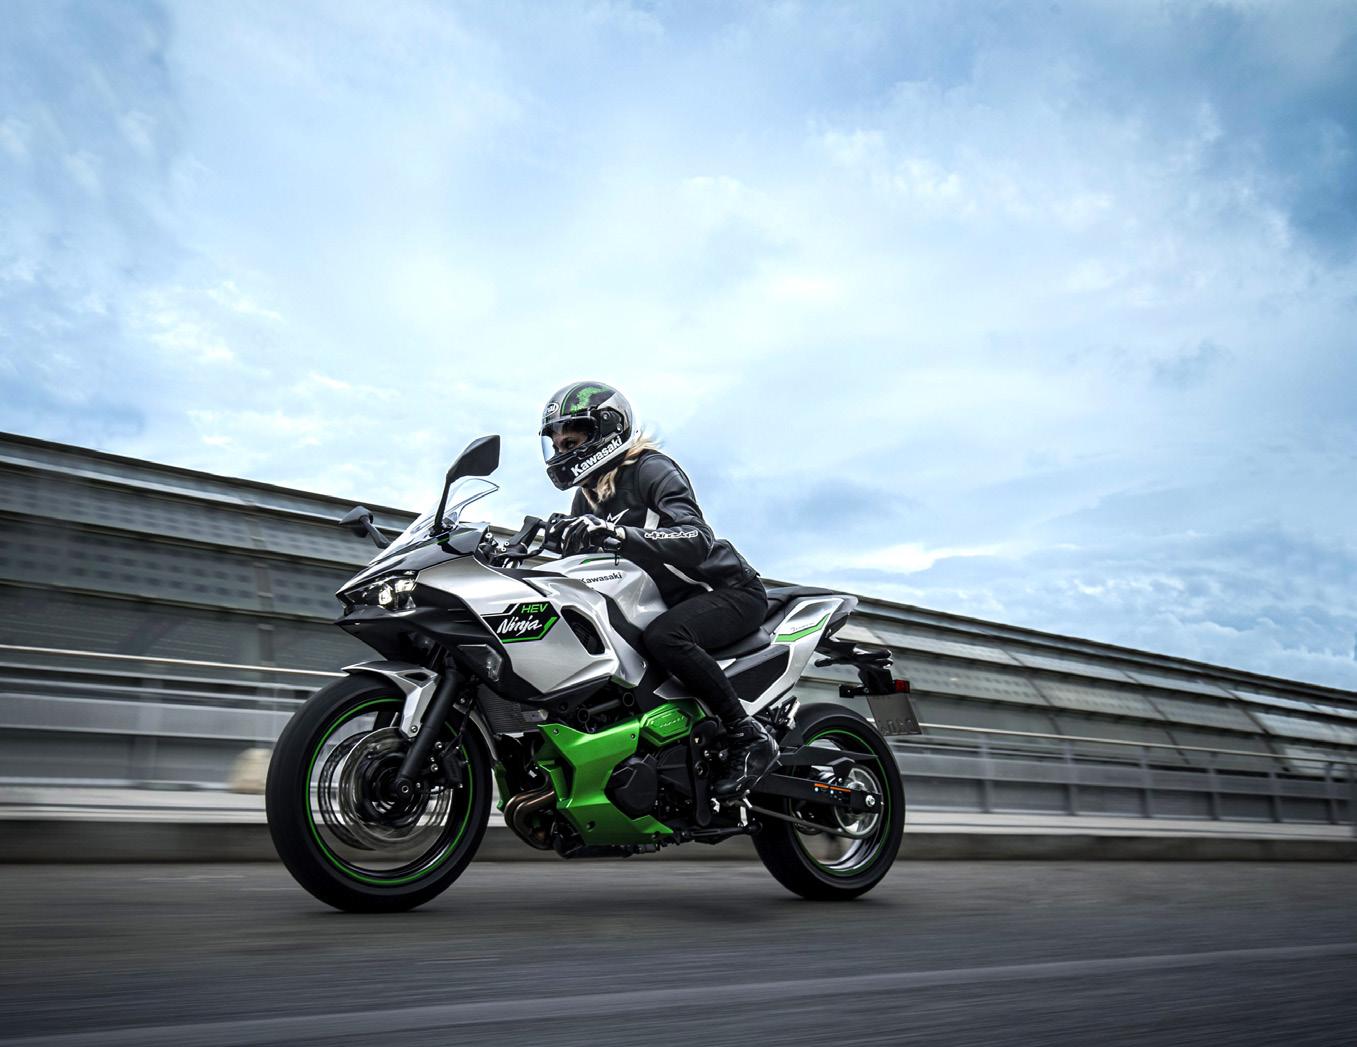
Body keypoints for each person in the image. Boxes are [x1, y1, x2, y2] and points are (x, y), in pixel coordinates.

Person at [539, 380, 777, 798]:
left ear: (604, 430)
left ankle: (747, 734)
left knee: (665, 637)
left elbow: (696, 537)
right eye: (557, 446)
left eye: (570, 442)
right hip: (666, 602)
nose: (562, 452)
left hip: (726, 591)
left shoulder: (649, 468)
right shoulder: (586, 498)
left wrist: (619, 535)